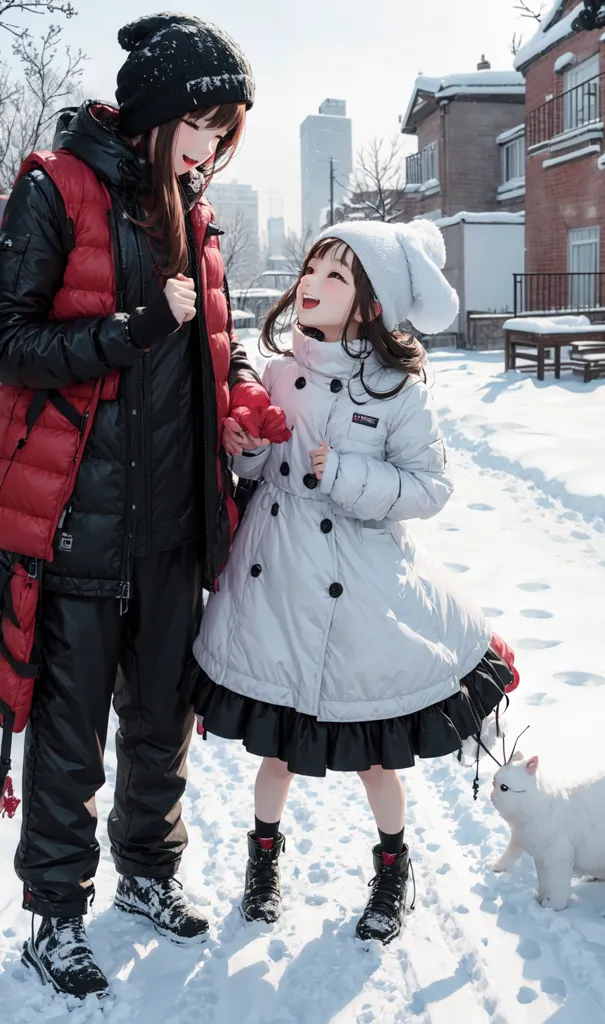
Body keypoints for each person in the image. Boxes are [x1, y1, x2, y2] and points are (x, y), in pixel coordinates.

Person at [0, 13, 286, 1001]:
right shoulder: (56, 188)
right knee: (71, 739)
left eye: (224, 137)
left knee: (161, 722)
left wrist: (244, 396)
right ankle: (55, 917)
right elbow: (12, 344)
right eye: (202, 126)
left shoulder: (197, 213)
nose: (210, 149)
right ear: (162, 110)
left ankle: (149, 877)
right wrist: (126, 329)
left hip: (175, 528)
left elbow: (214, 342)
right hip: (81, 523)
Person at [183, 219, 519, 946]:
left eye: (336, 275)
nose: (313, 283)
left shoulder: (398, 391)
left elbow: (430, 488)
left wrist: (342, 474)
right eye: (313, 267)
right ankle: (263, 863)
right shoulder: (276, 371)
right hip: (274, 583)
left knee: (371, 754)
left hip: (360, 591)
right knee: (276, 747)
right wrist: (243, 450)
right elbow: (260, 470)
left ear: (369, 303)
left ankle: (394, 871)